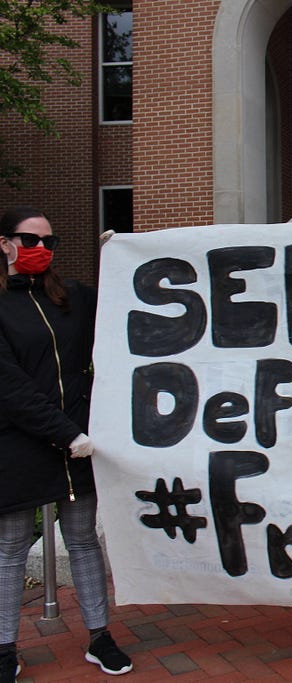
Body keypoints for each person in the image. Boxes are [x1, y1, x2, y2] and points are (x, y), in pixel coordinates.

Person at [0, 207, 132, 681]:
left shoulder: (72, 297)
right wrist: (66, 432)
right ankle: (3, 647)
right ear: (5, 244)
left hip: (80, 441)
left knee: (82, 540)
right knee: (12, 546)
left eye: (49, 242)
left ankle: (100, 635)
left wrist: (123, 258)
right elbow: (9, 387)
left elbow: (127, 306)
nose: (41, 250)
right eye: (30, 240)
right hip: (23, 442)